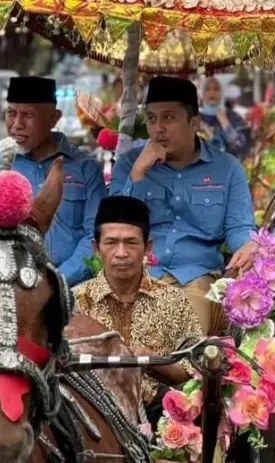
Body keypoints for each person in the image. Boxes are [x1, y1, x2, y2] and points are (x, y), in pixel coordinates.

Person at [109, 76, 257, 335]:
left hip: (195, 279)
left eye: (168, 117)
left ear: (194, 123)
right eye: (152, 118)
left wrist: (248, 245)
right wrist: (138, 175)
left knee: (184, 348)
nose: (158, 128)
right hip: (135, 277)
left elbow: (239, 227)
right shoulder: (129, 165)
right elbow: (115, 228)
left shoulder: (227, 168)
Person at [0, 76, 105, 287]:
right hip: (0, 288)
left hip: (73, 289)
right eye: (11, 113)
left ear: (53, 118)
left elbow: (95, 235)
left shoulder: (85, 169)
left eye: (28, 115)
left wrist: (56, 281)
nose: (16, 125)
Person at [72, 196, 201, 426]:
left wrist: (154, 361)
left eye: (131, 242)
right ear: (96, 248)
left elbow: (195, 371)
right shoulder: (75, 303)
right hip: (89, 426)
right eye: (111, 243)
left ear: (148, 247)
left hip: (161, 424)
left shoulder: (174, 301)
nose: (121, 253)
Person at [199, 77, 251, 159]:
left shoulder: (235, 117)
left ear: (222, 93)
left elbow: (242, 148)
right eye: (207, 89)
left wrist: (225, 123)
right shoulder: (195, 119)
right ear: (202, 94)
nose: (212, 92)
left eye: (216, 89)